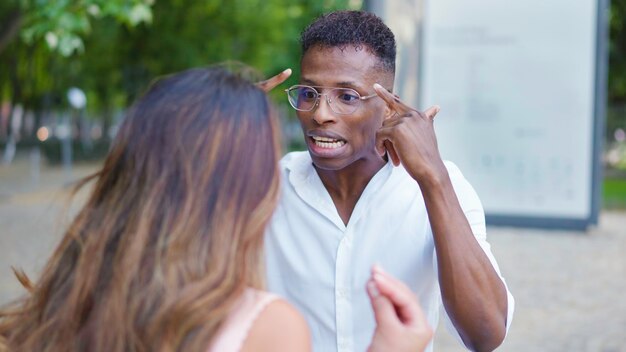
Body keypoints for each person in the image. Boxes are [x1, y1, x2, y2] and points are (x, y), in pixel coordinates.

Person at [0, 67, 432, 352]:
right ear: (249, 185)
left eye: (347, 97)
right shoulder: (264, 329)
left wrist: (214, 116)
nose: (320, 115)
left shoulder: (45, 315)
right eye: (267, 160)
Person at [264, 10, 515, 352]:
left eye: (347, 97)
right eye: (309, 93)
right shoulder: (265, 185)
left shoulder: (439, 185)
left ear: (388, 106)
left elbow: (486, 335)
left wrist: (433, 178)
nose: (320, 113)